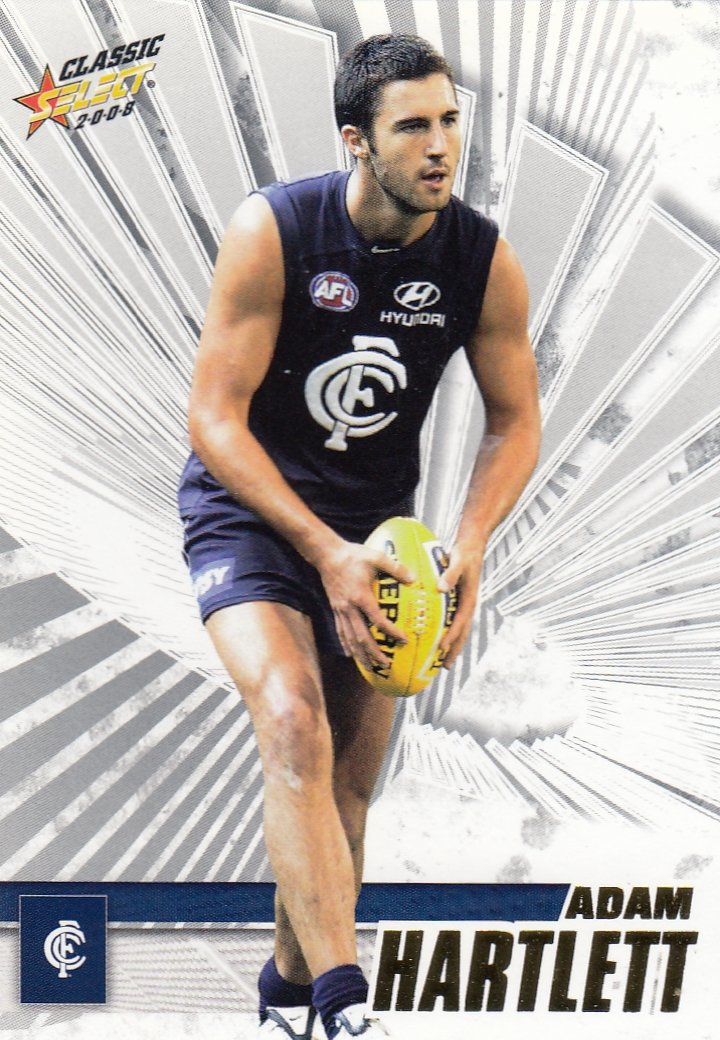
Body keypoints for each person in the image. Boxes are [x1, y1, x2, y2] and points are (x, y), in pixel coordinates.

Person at [178, 32, 540, 1040]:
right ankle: (346, 1006)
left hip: (377, 530)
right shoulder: (275, 231)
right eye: (413, 126)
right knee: (292, 718)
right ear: (356, 140)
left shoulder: (481, 258)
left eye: (451, 121)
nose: (442, 146)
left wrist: (469, 543)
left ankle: (288, 995)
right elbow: (214, 417)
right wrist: (322, 552)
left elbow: (516, 420)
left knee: (344, 785)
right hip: (249, 511)